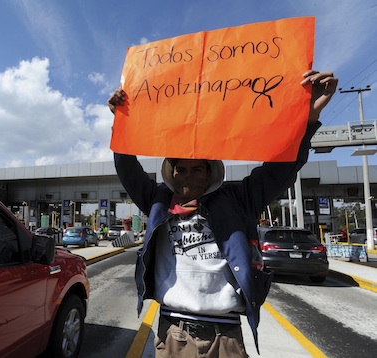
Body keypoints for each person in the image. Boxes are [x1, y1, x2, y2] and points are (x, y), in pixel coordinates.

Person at [108, 70, 338, 358]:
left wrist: (309, 117)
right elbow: (128, 170)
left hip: (226, 335)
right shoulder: (158, 201)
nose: (186, 177)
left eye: (196, 169)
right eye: (180, 169)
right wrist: (121, 119)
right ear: (171, 172)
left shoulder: (238, 199)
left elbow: (282, 167)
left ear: (210, 171)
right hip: (172, 332)